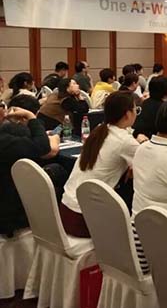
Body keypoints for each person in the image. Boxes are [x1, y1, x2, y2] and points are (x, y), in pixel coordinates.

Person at [59, 91, 146, 238]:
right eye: (135, 110)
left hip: (66, 209)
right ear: (127, 114)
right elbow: (149, 165)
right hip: (84, 218)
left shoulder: (99, 130)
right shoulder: (125, 141)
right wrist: (143, 143)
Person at [0, 95, 61, 236]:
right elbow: (44, 148)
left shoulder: (7, 135)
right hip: (9, 216)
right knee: (58, 174)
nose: (4, 109)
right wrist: (31, 117)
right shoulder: (5, 140)